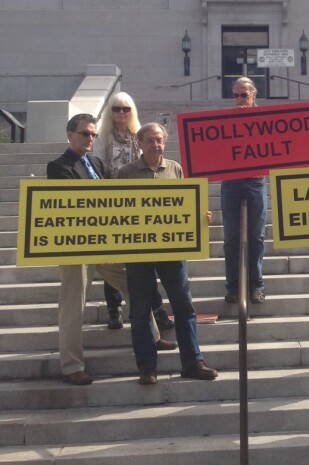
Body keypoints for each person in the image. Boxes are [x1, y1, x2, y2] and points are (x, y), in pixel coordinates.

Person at [45, 114, 173, 386]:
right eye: (84, 134)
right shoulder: (58, 167)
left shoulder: (97, 163)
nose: (90, 139)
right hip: (76, 247)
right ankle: (72, 366)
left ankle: (152, 336)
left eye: (93, 134)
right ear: (70, 135)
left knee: (134, 285)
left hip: (104, 244)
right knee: (72, 305)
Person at [118, 123, 218, 385]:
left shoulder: (175, 168)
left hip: (173, 251)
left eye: (160, 140)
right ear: (140, 143)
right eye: (150, 140)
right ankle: (147, 368)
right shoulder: (125, 173)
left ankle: (193, 362)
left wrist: (200, 216)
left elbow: (186, 203)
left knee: (184, 307)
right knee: (140, 311)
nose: (156, 145)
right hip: (139, 251)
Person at [94, 91, 174, 332]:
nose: (121, 113)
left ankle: (156, 309)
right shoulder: (103, 137)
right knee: (114, 257)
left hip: (140, 201)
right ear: (110, 111)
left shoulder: (138, 135)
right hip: (113, 199)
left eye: (125, 109)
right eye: (116, 109)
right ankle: (114, 309)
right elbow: (98, 167)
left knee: (142, 259)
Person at [220, 76, 267, 304]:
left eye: (244, 95)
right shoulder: (224, 121)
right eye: (236, 95)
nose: (239, 100)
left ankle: (256, 285)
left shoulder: (265, 120)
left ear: (253, 96)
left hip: (256, 181)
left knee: (256, 236)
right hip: (230, 180)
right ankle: (233, 286)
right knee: (231, 238)